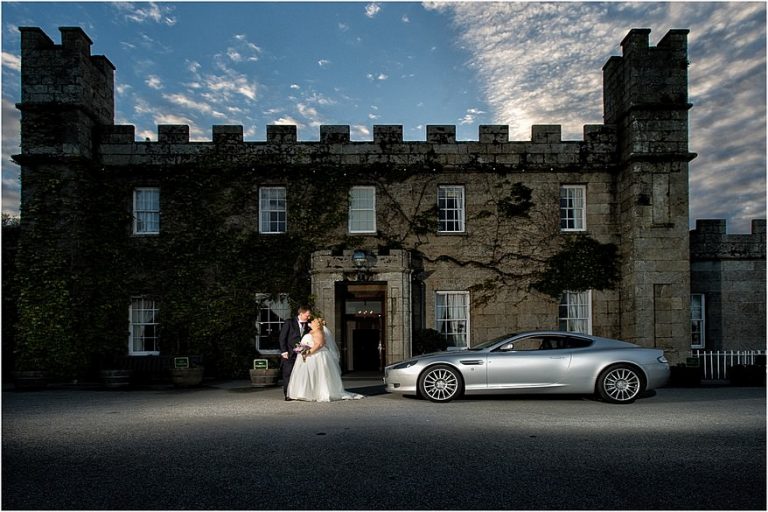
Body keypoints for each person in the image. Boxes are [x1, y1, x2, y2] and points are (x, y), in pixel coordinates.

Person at [287, 317, 364, 402]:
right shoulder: (311, 331)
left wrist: (308, 352)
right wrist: (302, 350)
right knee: (307, 375)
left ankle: (317, 393)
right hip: (308, 357)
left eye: (314, 321)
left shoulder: (319, 332)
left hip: (316, 356)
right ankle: (304, 393)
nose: (311, 322)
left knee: (318, 375)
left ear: (317, 324)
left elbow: (319, 344)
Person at [278, 304, 312, 401]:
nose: (309, 317)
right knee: (288, 373)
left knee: (301, 374)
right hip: (289, 353)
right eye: (307, 315)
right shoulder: (289, 322)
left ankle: (299, 393)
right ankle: (287, 394)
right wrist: (284, 351)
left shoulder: (309, 324)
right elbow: (282, 337)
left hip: (303, 354)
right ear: (301, 313)